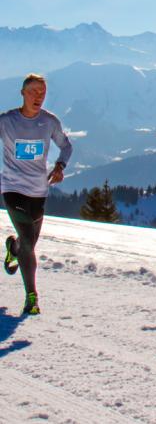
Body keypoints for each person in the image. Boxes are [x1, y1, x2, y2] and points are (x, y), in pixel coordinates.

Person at [1, 73, 72, 315]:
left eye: (42, 92)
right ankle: (31, 296)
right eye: (33, 91)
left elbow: (66, 146)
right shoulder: (7, 121)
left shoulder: (49, 121)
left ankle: (14, 247)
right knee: (30, 241)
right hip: (12, 189)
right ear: (22, 93)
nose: (38, 96)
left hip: (38, 191)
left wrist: (60, 166)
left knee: (28, 241)